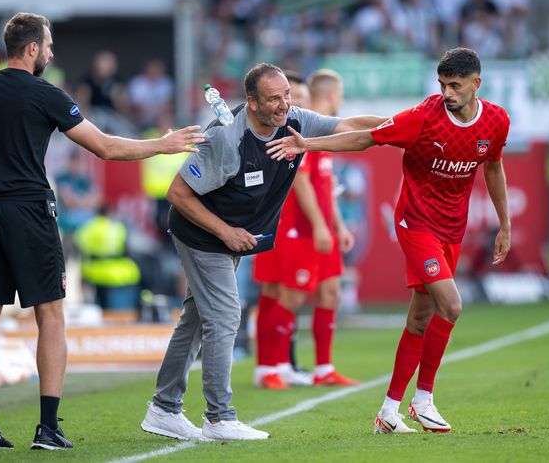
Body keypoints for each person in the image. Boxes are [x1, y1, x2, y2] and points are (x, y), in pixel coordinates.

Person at [0, 12, 203, 451]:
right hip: (28, 213)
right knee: (50, 316)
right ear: (33, 49)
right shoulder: (47, 94)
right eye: (50, 44)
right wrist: (161, 144)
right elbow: (105, 146)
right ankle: (47, 429)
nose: (53, 52)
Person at [267, 48, 511, 434]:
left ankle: (388, 412)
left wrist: (505, 224)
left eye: (456, 85)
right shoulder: (425, 118)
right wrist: (307, 145)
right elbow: (365, 139)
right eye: (442, 84)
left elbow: (494, 167)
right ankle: (423, 400)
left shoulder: (496, 121)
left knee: (419, 318)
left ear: (475, 84)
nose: (447, 93)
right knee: (451, 306)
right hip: (416, 224)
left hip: (452, 229)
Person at [140, 63, 387, 441]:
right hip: (201, 234)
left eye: (286, 95)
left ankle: (164, 408)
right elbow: (177, 194)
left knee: (195, 322)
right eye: (274, 98)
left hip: (230, 235)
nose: (284, 104)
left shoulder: (295, 120)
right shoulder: (226, 139)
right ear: (251, 103)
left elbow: (349, 125)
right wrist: (227, 231)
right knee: (224, 318)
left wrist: (403, 123)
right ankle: (219, 417)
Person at [253, 70, 358, 389]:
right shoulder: (300, 134)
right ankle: (269, 367)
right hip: (299, 228)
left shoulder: (323, 136)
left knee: (330, 292)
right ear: (331, 95)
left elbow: (326, 187)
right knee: (287, 295)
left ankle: (323, 367)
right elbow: (300, 180)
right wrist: (319, 226)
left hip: (321, 228)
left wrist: (337, 225)